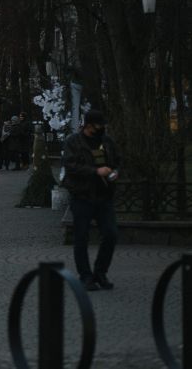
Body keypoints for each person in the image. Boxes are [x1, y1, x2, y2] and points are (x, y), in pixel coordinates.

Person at [62, 110, 120, 291]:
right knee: (81, 237)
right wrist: (95, 172)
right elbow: (70, 165)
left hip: (104, 195)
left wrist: (115, 172)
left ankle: (100, 272)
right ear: (88, 125)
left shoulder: (107, 141)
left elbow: (117, 161)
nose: (102, 128)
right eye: (98, 125)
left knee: (110, 234)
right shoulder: (73, 142)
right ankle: (86, 276)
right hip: (82, 196)